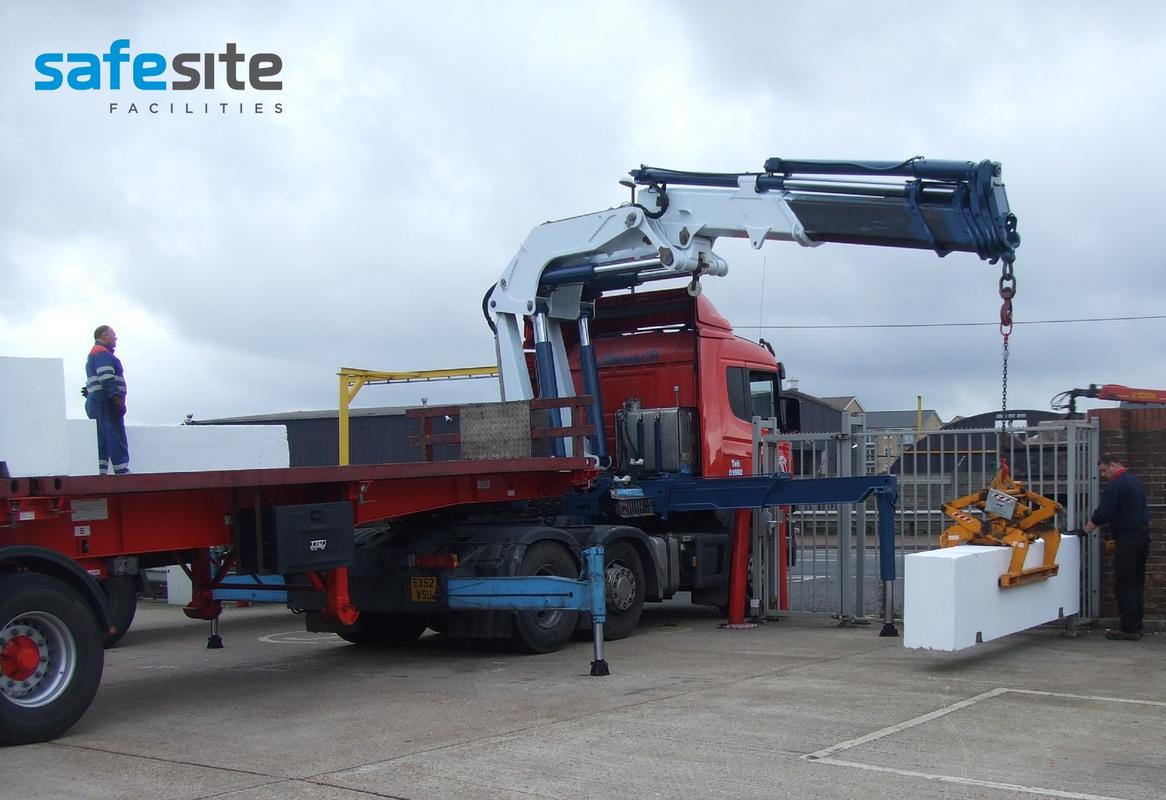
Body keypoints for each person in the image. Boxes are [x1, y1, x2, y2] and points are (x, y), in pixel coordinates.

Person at [1084, 454, 1150, 640]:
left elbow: (1103, 513)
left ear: (1113, 465)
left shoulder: (1117, 485)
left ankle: (1128, 629)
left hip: (1128, 539)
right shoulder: (1134, 482)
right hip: (1141, 536)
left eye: (1104, 470)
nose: (1104, 475)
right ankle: (1135, 625)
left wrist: (1085, 531)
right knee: (1136, 582)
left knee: (1124, 583)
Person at [84, 325, 130, 475]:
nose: (115, 338)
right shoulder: (102, 353)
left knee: (102, 438)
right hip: (106, 403)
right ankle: (121, 471)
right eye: (113, 335)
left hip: (98, 401)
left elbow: (97, 378)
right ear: (103, 336)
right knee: (114, 435)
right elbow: (106, 378)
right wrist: (116, 399)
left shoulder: (95, 353)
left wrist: (90, 391)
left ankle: (101, 471)